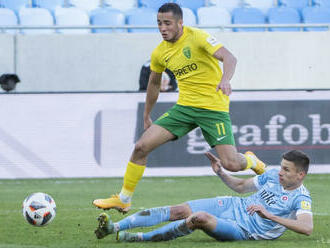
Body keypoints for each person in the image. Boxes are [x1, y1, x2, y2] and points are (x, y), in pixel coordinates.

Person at [92, 3, 266, 213]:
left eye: (167, 23)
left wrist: (225, 79)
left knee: (231, 164)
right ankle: (124, 199)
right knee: (140, 147)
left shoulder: (197, 37)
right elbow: (154, 83)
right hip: (184, 108)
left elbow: (230, 57)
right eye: (159, 23)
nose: (162, 28)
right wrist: (147, 115)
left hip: (213, 108)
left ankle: (251, 160)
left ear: (180, 23)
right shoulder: (159, 53)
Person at [94, 150, 313, 242]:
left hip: (246, 230)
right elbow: (240, 187)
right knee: (178, 210)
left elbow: (306, 228)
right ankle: (113, 228)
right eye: (282, 167)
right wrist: (220, 172)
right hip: (234, 205)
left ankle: (138, 238)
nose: (280, 172)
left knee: (198, 218)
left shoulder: (301, 198)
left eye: (287, 170)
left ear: (300, 174)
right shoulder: (273, 175)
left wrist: (269, 215)